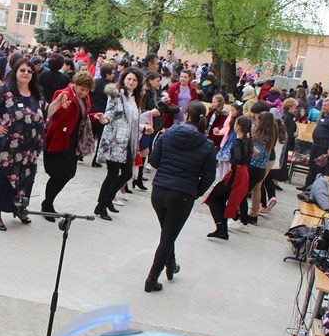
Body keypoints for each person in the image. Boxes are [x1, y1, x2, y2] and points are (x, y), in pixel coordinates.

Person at [144, 101, 216, 291]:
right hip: (182, 194)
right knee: (168, 237)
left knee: (167, 234)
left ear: (186, 115)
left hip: (159, 190)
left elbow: (154, 161)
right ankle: (152, 279)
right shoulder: (207, 144)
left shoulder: (168, 133)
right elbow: (209, 177)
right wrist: (195, 192)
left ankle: (171, 265)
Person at [0, 59, 46, 231]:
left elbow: (44, 113)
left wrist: (58, 104)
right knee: (1, 181)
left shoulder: (36, 92)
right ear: (15, 71)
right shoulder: (5, 89)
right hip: (4, 148)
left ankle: (20, 209)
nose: (26, 73)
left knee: (25, 181)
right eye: (22, 70)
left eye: (29, 71)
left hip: (27, 150)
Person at [94, 68, 158, 220]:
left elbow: (131, 122)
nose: (131, 82)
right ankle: (101, 206)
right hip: (114, 141)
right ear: (123, 79)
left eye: (135, 80)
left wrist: (143, 128)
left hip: (128, 141)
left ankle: (108, 200)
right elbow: (109, 114)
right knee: (112, 174)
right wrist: (103, 119)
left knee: (127, 173)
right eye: (129, 79)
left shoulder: (134, 98)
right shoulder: (116, 95)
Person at [42, 72, 100, 220]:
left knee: (68, 174)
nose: (84, 92)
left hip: (73, 141)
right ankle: (47, 205)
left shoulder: (85, 98)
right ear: (75, 84)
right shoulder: (63, 94)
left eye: (87, 90)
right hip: (59, 138)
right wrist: (62, 106)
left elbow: (81, 117)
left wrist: (93, 117)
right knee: (58, 174)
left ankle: (48, 203)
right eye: (81, 88)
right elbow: (53, 114)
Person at [205, 116, 252, 240]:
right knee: (219, 200)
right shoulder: (248, 140)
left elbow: (237, 157)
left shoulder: (238, 142)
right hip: (243, 172)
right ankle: (222, 230)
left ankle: (221, 229)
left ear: (238, 127)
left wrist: (233, 164)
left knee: (213, 199)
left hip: (236, 174)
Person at [302, 98, 329, 189]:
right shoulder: (324, 115)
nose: (323, 107)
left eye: (325, 106)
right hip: (316, 144)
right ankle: (307, 185)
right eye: (323, 105)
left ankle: (315, 188)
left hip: (323, 145)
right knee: (312, 166)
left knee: (319, 168)